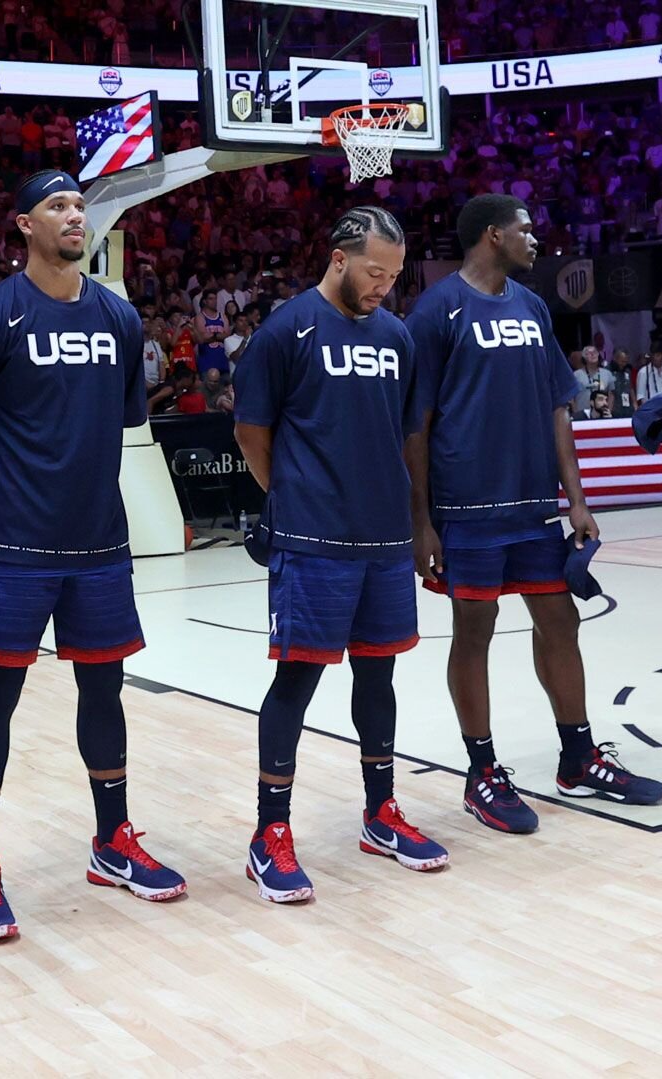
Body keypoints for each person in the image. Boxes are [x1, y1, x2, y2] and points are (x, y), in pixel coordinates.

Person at [0, 170, 185, 944]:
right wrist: (2, 493)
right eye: (58, 206)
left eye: (80, 205)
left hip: (99, 541)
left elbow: (120, 420)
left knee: (104, 693)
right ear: (24, 225)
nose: (75, 215)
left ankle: (112, 840)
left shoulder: (118, 318)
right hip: (16, 544)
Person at [406, 195, 662, 832]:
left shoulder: (531, 308)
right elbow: (416, 424)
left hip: (533, 507)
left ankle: (577, 757)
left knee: (561, 620)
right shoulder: (437, 310)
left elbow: (557, 407)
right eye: (526, 230)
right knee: (475, 631)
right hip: (465, 506)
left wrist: (576, 499)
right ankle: (481, 770)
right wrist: (421, 520)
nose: (535, 240)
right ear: (494, 235)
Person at [232, 207, 447, 905]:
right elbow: (251, 432)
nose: (385, 285)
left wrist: (417, 522)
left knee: (378, 678)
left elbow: (407, 433)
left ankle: (380, 813)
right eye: (374, 271)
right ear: (338, 259)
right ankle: (270, 834)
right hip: (312, 538)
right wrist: (293, 497)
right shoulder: (285, 330)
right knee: (295, 684)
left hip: (384, 538)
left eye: (393, 273)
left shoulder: (396, 337)